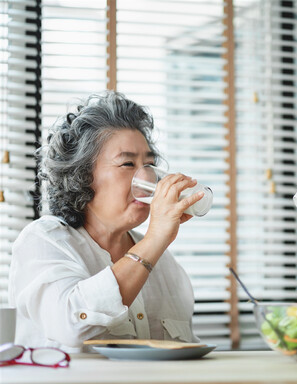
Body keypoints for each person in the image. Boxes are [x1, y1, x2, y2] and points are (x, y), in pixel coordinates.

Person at [8, 91, 204, 352]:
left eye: (149, 164)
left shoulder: (165, 264)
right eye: (127, 164)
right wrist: (156, 238)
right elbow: (72, 326)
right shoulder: (43, 241)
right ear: (82, 175)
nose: (146, 177)